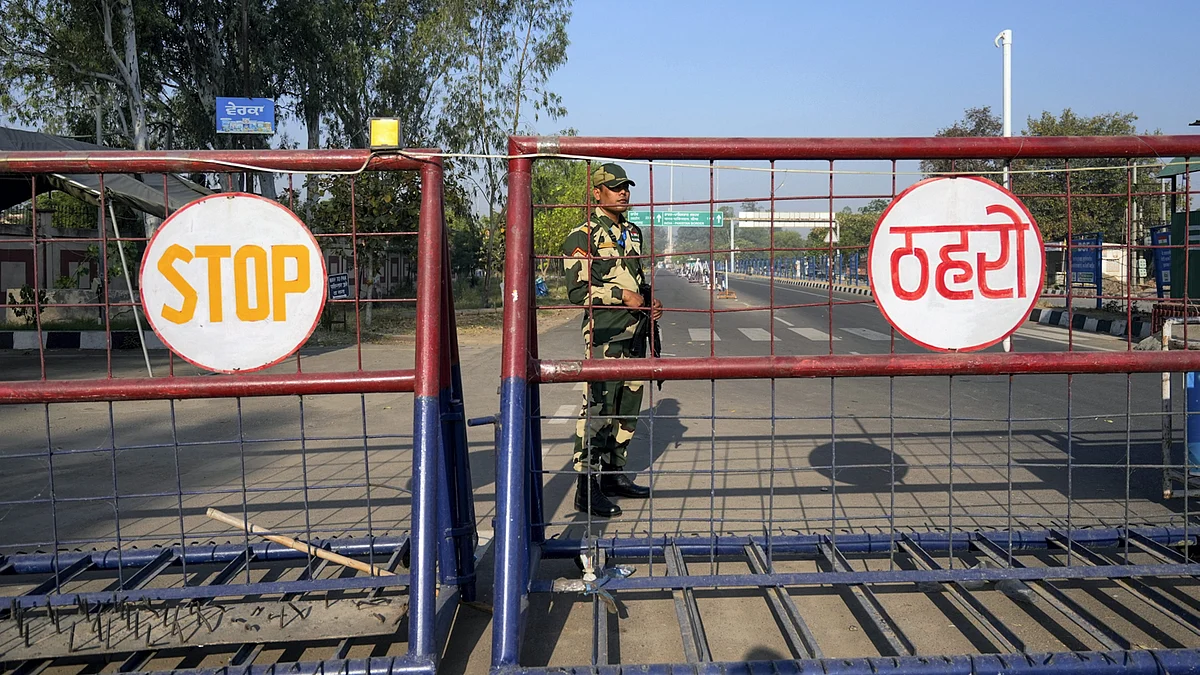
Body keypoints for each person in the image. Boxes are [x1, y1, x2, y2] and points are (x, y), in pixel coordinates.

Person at [561, 163, 663, 518]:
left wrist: (648, 301)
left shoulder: (632, 232)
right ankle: (586, 488)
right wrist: (623, 296)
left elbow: (637, 279)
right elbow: (577, 291)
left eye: (626, 187)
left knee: (626, 411)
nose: (623, 192)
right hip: (605, 338)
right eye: (615, 187)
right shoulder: (582, 235)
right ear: (597, 194)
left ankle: (614, 476)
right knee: (598, 410)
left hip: (634, 334)